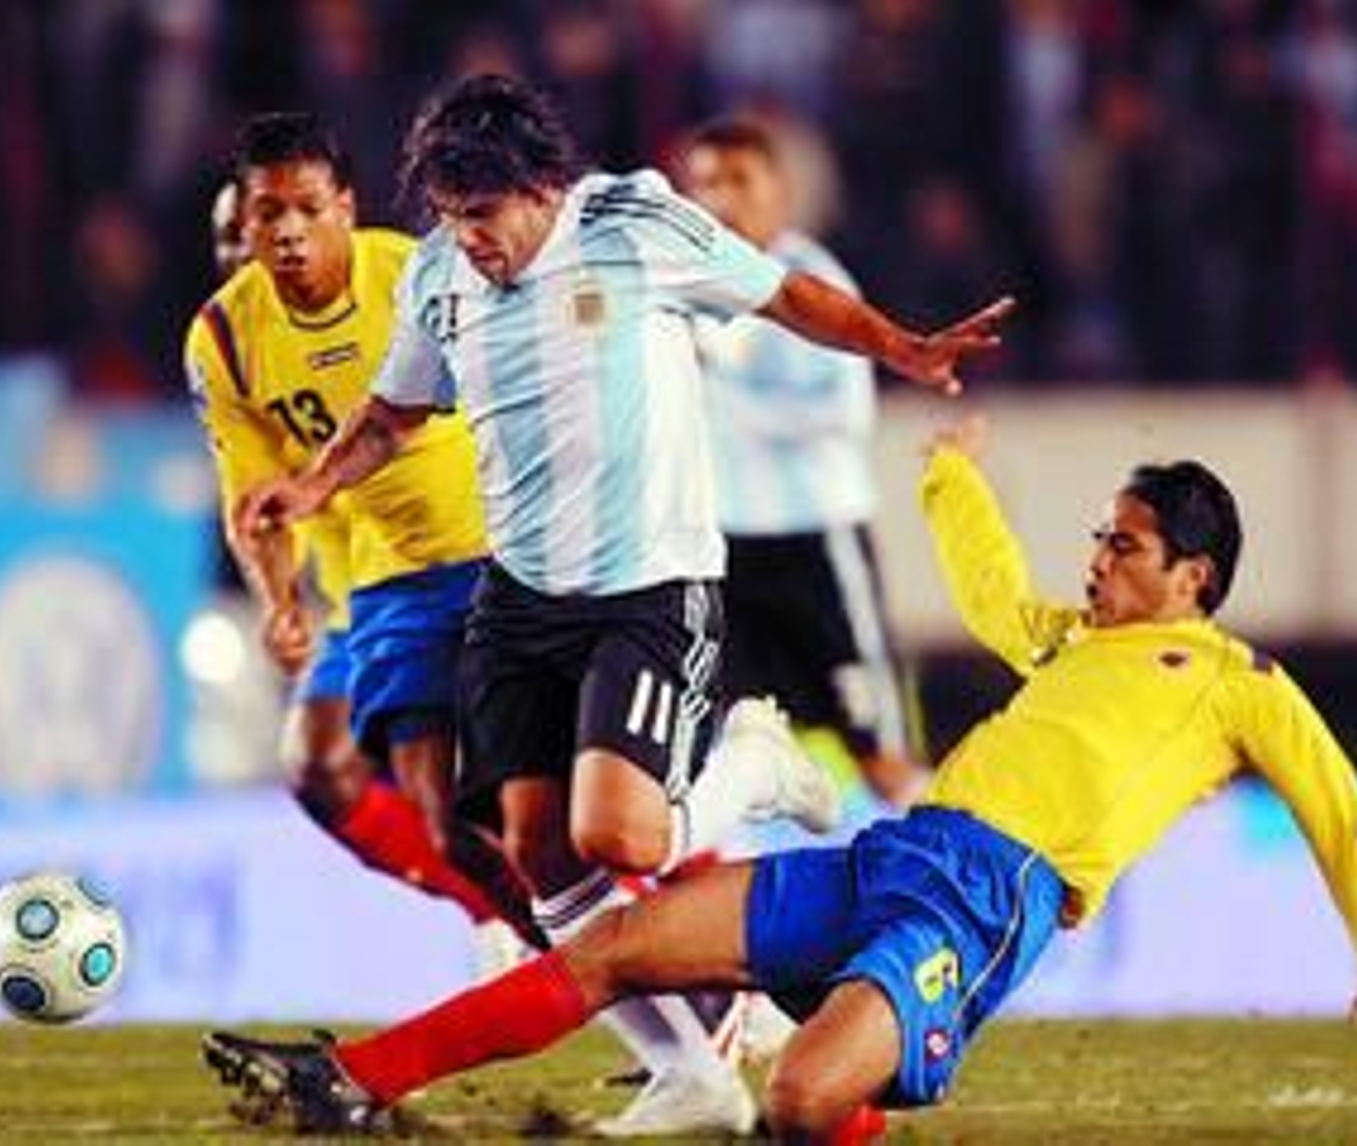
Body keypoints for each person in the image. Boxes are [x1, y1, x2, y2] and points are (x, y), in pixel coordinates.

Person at [202, 412, 1357, 1141]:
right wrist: (950, 478)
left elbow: (1333, 803)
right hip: (891, 856)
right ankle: (348, 1081)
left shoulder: (1236, 683)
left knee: (800, 1099)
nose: (1096, 561)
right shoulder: (1074, 641)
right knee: (610, 944)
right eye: (1098, 538)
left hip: (983, 903)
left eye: (1121, 547)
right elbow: (988, 593)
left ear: (1193, 577)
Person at [224, 73, 1015, 1136]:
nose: (470, 239)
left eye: (484, 214)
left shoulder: (630, 223)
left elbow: (783, 294)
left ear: (541, 188)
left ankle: (753, 766)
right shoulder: (440, 275)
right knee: (535, 856)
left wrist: (900, 346)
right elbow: (394, 413)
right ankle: (690, 1066)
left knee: (623, 840)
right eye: (450, 216)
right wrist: (313, 486)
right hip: (517, 600)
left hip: (646, 589)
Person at [184, 113, 541, 958]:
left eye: (304, 210)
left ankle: (678, 915)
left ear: (343, 206)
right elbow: (253, 501)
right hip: (375, 589)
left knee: (541, 802)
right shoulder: (225, 341)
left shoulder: (414, 274)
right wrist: (279, 601)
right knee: (329, 770)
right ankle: (503, 922)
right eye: (255, 224)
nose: (275, 240)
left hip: (498, 552)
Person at [680, 117, 922, 806]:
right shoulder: (685, 286)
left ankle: (950, 861)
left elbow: (845, 417)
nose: (722, 198)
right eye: (706, 183)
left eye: (739, 179)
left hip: (816, 542)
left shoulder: (816, 287)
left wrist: (720, 390)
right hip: (725, 549)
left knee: (880, 753)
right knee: (725, 751)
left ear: (779, 193)